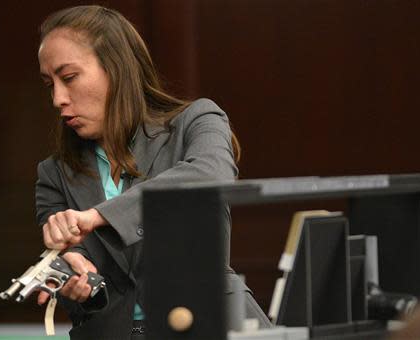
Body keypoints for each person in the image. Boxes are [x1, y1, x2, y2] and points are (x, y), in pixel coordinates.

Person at [35, 5, 271, 339]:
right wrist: (81, 284)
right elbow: (82, 289)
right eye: (49, 84)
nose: (57, 98)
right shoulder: (53, 174)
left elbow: (210, 176)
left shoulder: (198, 120)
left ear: (116, 69)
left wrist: (98, 216)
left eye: (69, 77)